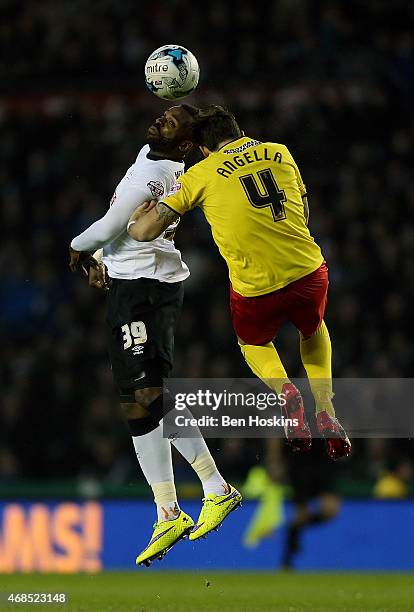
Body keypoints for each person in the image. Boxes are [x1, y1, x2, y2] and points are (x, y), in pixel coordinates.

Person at [69, 104, 241, 567]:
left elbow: (108, 226)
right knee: (141, 399)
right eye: (165, 113)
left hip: (146, 290)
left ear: (186, 144)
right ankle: (179, 503)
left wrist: (78, 247)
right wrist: (106, 259)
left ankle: (205, 490)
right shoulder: (152, 158)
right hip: (130, 285)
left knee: (147, 393)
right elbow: (118, 229)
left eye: (173, 122)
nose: (161, 119)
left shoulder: (158, 175)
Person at [127, 105, 351, 460]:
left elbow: (144, 231)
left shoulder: (200, 175)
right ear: (239, 131)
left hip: (256, 289)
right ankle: (326, 411)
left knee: (253, 343)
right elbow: (303, 214)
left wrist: (134, 220)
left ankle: (285, 393)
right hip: (308, 272)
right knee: (313, 329)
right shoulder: (280, 151)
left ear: (204, 148)